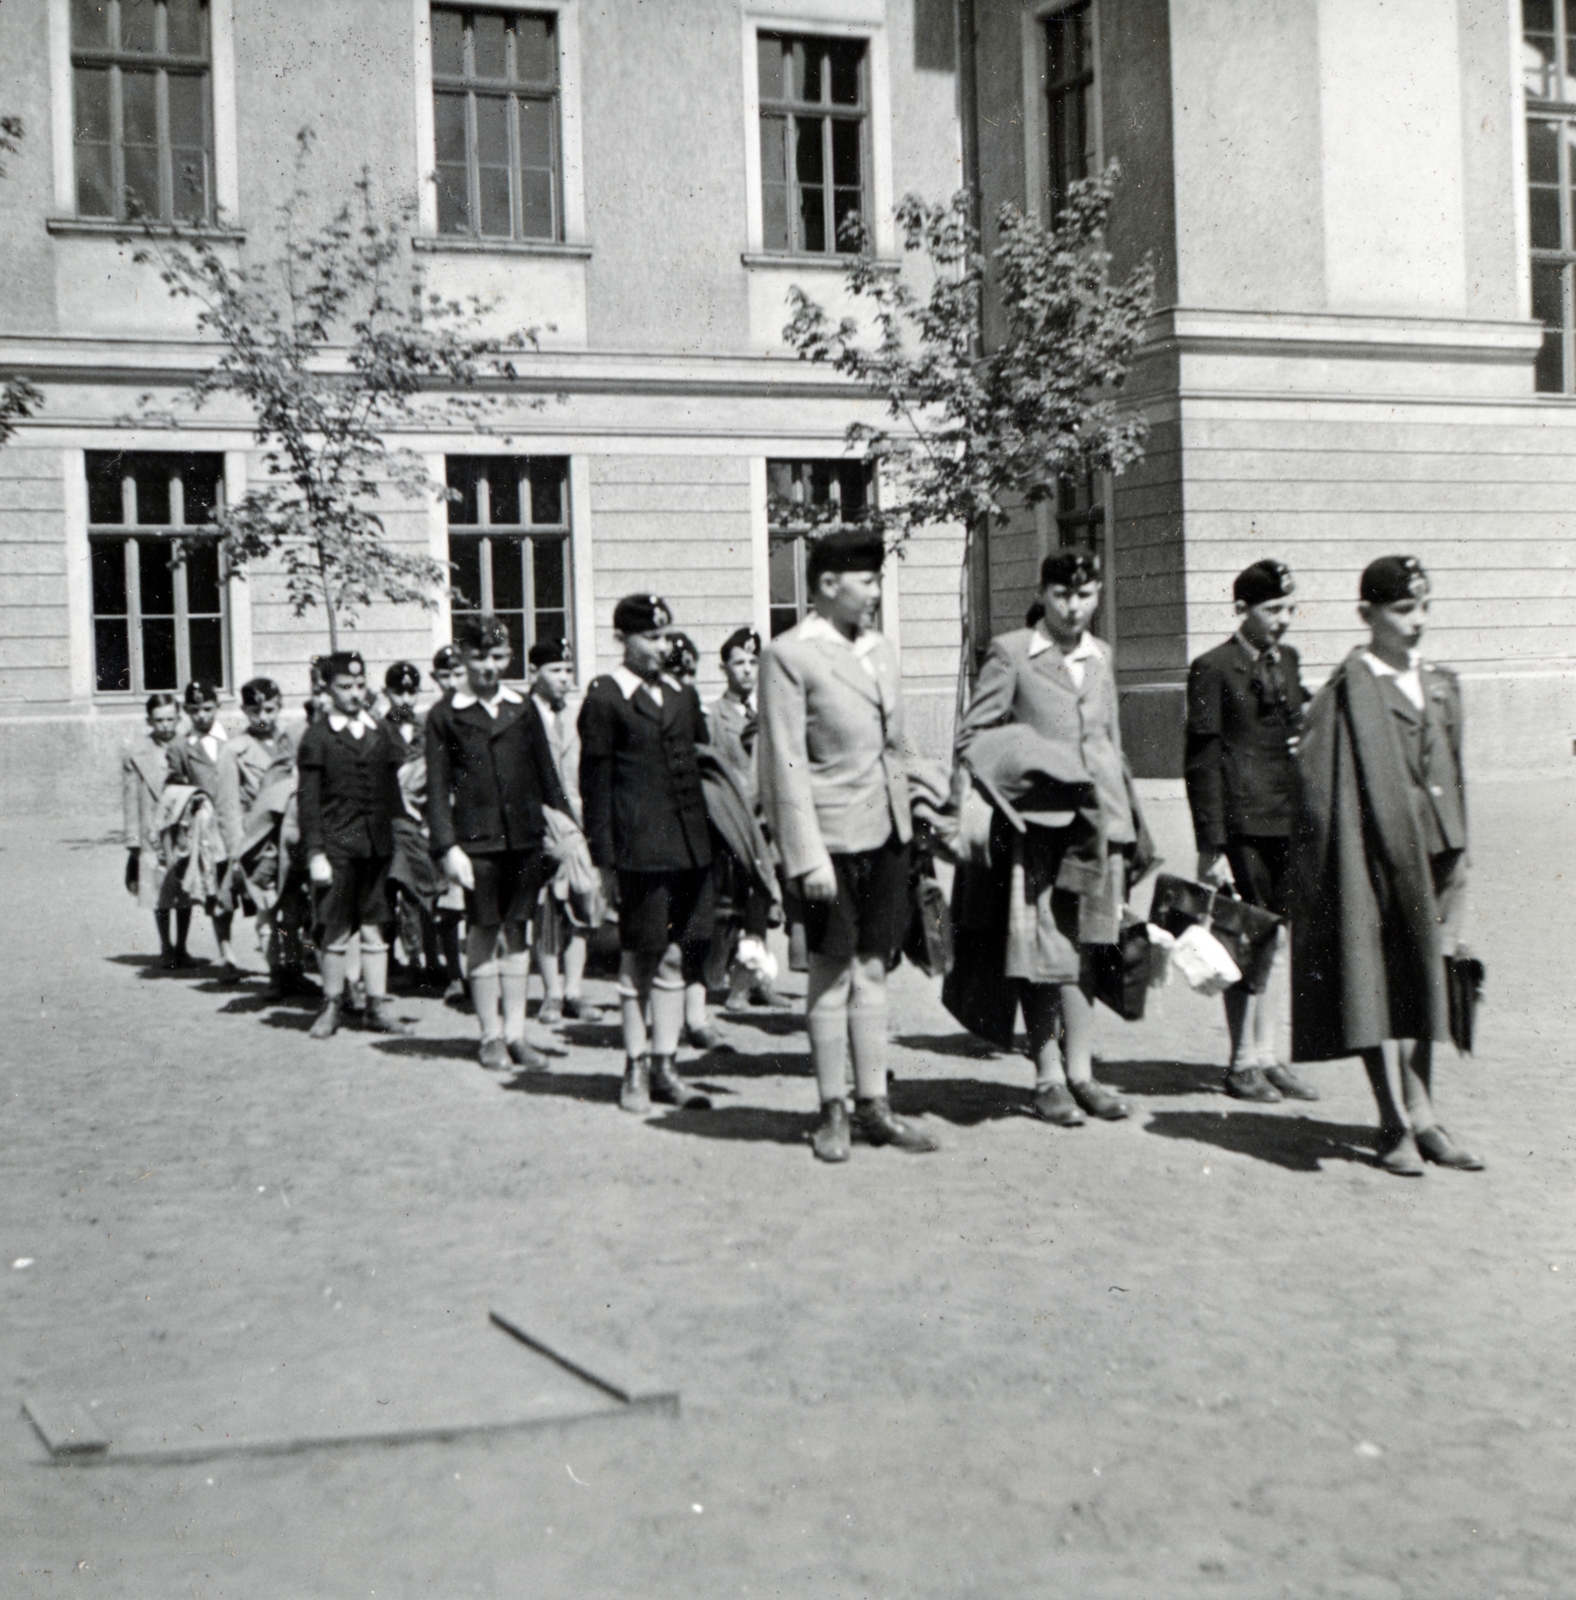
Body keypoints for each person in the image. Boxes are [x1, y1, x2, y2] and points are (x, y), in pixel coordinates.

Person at [1291, 555, 1483, 1176]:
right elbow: (1319, 793)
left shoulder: (1440, 684)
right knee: (1371, 986)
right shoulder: (1345, 694)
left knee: (1428, 979)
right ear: (1366, 614)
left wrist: (1458, 855)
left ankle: (1425, 1116)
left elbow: (1452, 773)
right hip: (1369, 863)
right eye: (1403, 609)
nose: (1417, 621)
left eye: (1424, 607)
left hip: (1435, 859)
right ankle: (1390, 1118)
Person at [758, 529, 938, 1162]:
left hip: (886, 835)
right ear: (828, 585)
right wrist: (805, 855)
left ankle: (875, 1106)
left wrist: (925, 806)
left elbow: (898, 744)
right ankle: (831, 1108)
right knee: (831, 974)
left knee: (873, 970)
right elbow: (783, 763)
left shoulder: (880, 650)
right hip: (829, 843)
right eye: (867, 581)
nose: (876, 593)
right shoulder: (789, 655)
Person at [952, 548, 1146, 1129]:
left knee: (1090, 945)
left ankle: (1082, 1074)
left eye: (1085, 594)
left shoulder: (1101, 656)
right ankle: (1048, 1078)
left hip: (1098, 826)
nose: (1073, 606)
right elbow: (973, 737)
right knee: (1044, 951)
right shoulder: (1012, 652)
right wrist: (1027, 763)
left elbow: (1110, 741)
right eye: (1061, 594)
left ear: (1098, 594)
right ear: (1042, 593)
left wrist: (1128, 823)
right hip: (1039, 825)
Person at [1184, 560, 1318, 1103]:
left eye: (1289, 608)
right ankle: (1241, 1063)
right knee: (1245, 940)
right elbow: (1202, 760)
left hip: (1287, 821)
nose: (1284, 619)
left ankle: (1267, 1056)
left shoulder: (1288, 660)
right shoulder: (1212, 668)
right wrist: (1210, 845)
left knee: (1279, 938)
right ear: (1241, 609)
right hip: (1242, 826)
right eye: (1273, 609)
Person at [578, 593, 714, 1114]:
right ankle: (634, 1065)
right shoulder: (606, 697)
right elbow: (596, 786)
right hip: (639, 852)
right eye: (650, 637)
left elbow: (705, 771)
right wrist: (604, 862)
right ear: (622, 639)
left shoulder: (682, 694)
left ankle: (665, 1065)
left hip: (689, 850)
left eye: (665, 636)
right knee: (639, 957)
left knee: (677, 956)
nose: (662, 646)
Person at [426, 615, 569, 1071]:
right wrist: (447, 847)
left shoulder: (522, 708)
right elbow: (436, 788)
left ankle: (517, 1034)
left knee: (518, 931)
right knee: (484, 931)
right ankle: (490, 1035)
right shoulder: (445, 715)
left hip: (524, 840)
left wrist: (568, 831)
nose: (489, 666)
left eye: (499, 656)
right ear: (463, 657)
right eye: (479, 657)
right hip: (477, 845)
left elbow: (548, 774)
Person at [295, 651, 413, 1040]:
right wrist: (315, 852)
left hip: (377, 845)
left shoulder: (379, 730)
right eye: (345, 686)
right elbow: (308, 802)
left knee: (376, 926)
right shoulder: (318, 736)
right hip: (338, 847)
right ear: (327, 690)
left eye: (360, 685)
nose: (355, 694)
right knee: (336, 927)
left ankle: (376, 1006)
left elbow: (395, 785)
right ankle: (332, 1003)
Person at [710, 626, 789, 1015]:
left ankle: (757, 981)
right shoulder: (714, 716)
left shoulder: (770, 712)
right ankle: (735, 985)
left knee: (761, 904)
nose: (746, 670)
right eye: (738, 662)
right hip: (734, 825)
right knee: (735, 906)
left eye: (753, 662)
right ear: (724, 668)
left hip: (766, 825)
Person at [527, 636, 603, 1025]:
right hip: (540, 826)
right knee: (547, 909)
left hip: (580, 823)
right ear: (533, 673)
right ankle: (552, 993)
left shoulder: (577, 716)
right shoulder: (522, 715)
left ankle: (574, 990)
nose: (564, 678)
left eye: (568, 670)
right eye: (555, 670)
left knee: (583, 903)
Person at [215, 676, 306, 995]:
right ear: (244, 711)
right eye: (255, 711)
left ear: (280, 707)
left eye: (269, 710)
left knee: (293, 908)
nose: (263, 717)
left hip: (290, 835)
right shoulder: (234, 750)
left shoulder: (292, 740)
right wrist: (236, 852)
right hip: (259, 841)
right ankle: (275, 974)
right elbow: (228, 807)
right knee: (267, 908)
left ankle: (295, 969)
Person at [381, 660, 447, 991]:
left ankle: (423, 960)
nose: (405, 700)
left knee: (421, 894)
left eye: (411, 693)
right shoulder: (379, 731)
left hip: (422, 823)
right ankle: (395, 961)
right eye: (398, 693)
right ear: (386, 693)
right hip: (390, 823)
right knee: (391, 894)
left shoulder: (426, 728)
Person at [163, 679, 235, 975]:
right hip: (207, 831)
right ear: (186, 711)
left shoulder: (233, 740)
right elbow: (173, 786)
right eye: (194, 710)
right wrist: (192, 798)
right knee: (216, 891)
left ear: (217, 706)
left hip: (236, 826)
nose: (201, 715)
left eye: (207, 708)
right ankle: (227, 954)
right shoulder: (180, 746)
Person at [123, 691, 188, 966]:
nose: (165, 725)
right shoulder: (137, 753)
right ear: (149, 720)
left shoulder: (187, 747)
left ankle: (182, 946)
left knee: (184, 889)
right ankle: (165, 946)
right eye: (159, 720)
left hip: (182, 829)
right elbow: (130, 798)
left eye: (170, 719)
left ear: (178, 718)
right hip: (152, 831)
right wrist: (133, 841)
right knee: (158, 890)